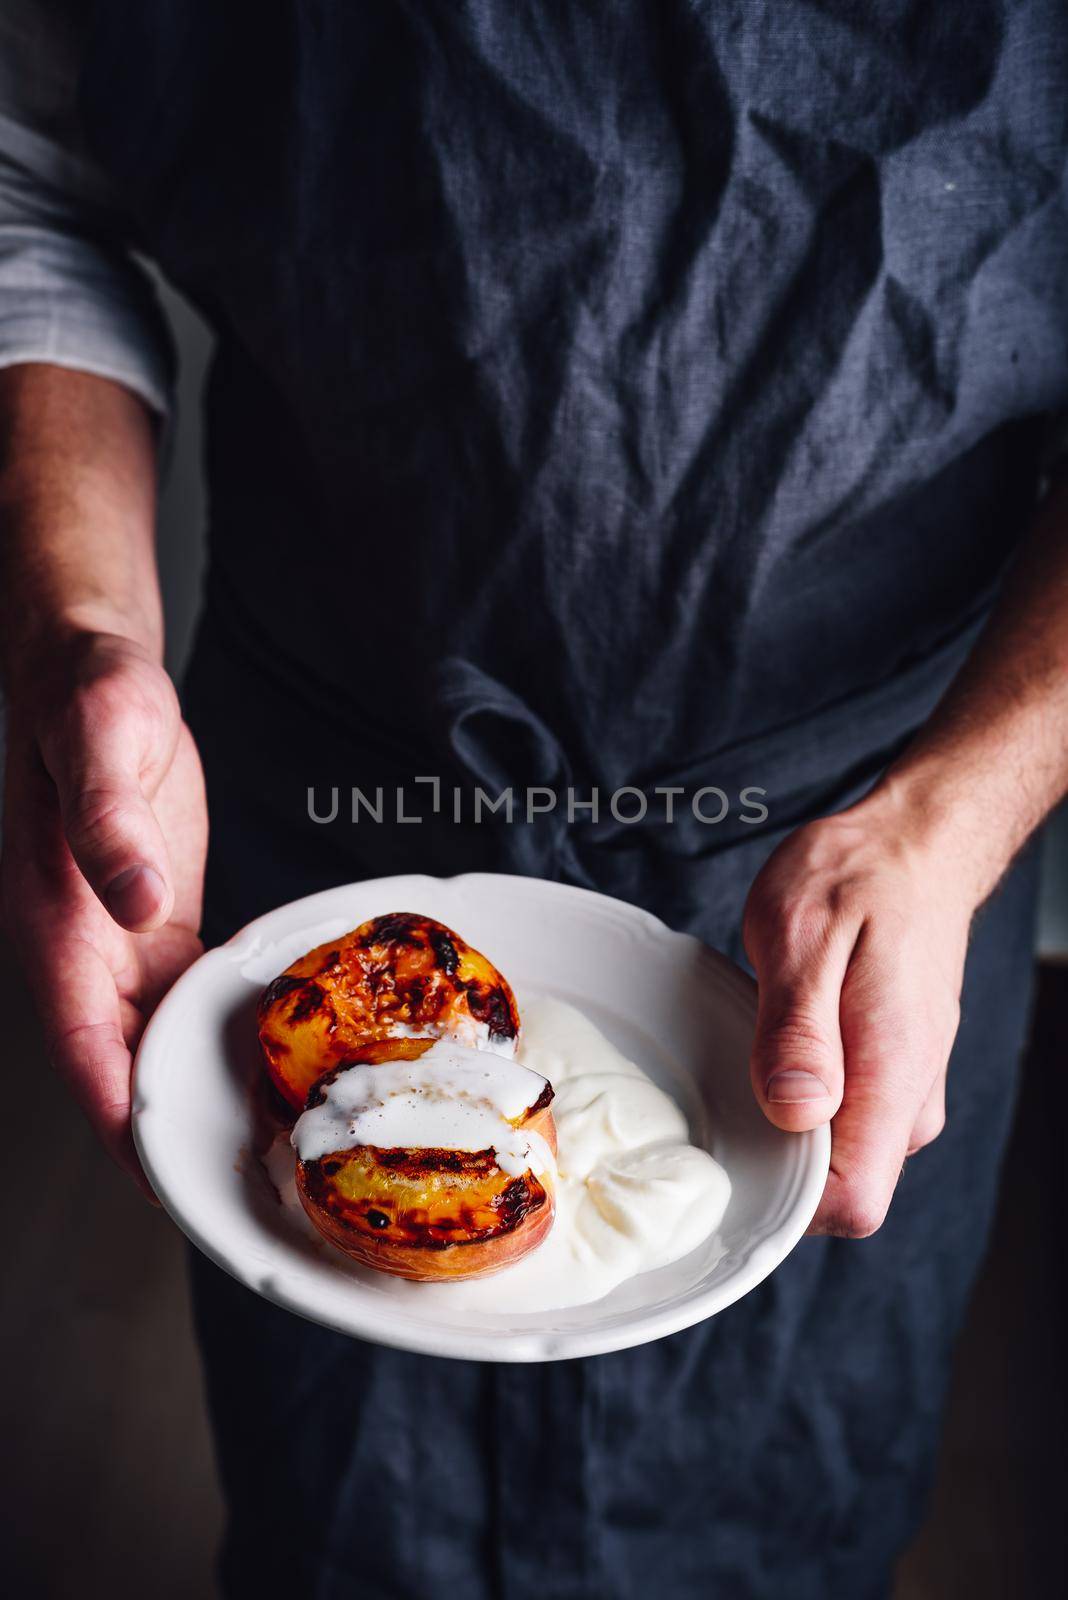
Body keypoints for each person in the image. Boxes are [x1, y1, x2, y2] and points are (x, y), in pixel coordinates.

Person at [1, 3, 1066, 1596]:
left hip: (869, 847)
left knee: (785, 1511)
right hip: (321, 800)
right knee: (344, 1516)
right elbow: (34, 189)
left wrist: (969, 799)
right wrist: (80, 638)